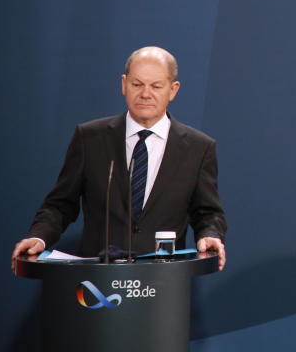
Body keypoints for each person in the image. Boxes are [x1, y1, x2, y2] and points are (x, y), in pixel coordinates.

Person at [11, 47, 226, 270]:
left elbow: (207, 212)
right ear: (124, 84)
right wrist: (39, 237)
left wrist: (210, 235)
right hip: (98, 281)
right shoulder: (90, 138)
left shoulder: (199, 147)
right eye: (137, 84)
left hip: (162, 282)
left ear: (173, 90)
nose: (145, 94)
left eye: (156, 86)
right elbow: (60, 205)